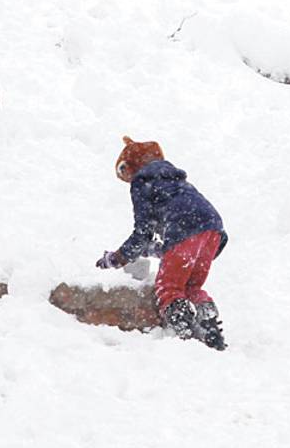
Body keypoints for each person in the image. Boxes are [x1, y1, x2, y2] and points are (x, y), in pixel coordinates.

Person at [95, 137, 228, 350]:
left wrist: (117, 258)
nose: (128, 181)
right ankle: (209, 324)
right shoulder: (175, 180)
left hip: (185, 229)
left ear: (131, 167)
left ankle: (183, 331)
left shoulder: (142, 181)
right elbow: (177, 245)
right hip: (213, 230)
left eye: (125, 174)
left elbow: (143, 233)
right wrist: (151, 250)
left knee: (169, 287)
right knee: (191, 286)